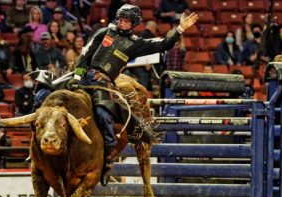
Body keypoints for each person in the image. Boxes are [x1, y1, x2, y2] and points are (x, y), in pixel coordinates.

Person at [68, 4, 198, 185]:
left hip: (103, 83)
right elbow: (85, 53)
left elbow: (163, 44)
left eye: (127, 20)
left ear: (133, 23)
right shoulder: (103, 32)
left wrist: (180, 29)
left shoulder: (136, 43)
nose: (122, 22)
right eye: (121, 18)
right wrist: (77, 76)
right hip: (83, 75)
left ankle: (106, 161)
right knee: (50, 93)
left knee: (103, 115)